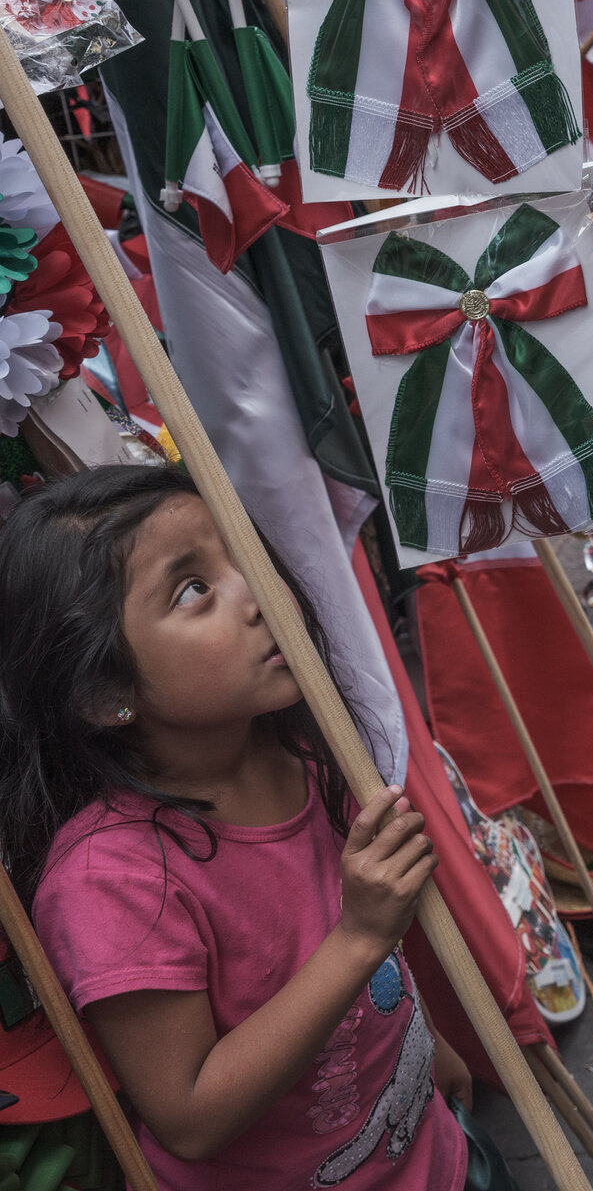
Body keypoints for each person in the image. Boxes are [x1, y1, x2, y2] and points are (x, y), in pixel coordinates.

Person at [0, 466, 469, 1188]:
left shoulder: (303, 756)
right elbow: (190, 1115)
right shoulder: (110, 880)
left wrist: (431, 1053)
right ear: (104, 693)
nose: (259, 596)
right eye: (194, 589)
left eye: (242, 555)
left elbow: (381, 979)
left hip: (427, 1152)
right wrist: (360, 936)